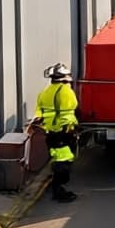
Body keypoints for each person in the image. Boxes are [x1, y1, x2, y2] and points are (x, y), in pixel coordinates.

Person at [36, 62, 79, 203]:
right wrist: (71, 128)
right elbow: (71, 107)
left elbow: (39, 112)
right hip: (63, 130)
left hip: (50, 132)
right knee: (64, 162)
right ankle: (58, 190)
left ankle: (58, 188)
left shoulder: (44, 92)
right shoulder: (65, 91)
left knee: (57, 159)